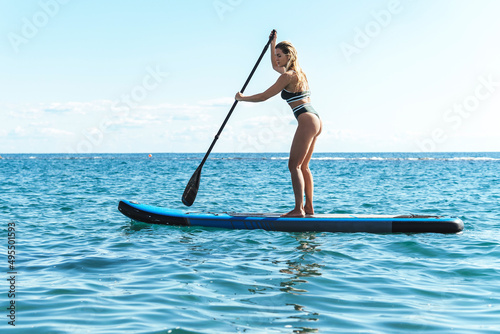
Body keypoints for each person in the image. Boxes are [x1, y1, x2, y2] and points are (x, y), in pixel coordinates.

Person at [235, 31, 322, 217]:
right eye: (275, 55)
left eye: (279, 55)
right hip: (315, 119)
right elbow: (276, 66)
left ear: (288, 56)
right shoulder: (299, 73)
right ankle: (309, 208)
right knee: (304, 166)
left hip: (306, 120)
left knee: (294, 166)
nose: (276, 59)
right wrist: (273, 43)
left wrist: (242, 98)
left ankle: (299, 209)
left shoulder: (287, 76)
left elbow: (264, 96)